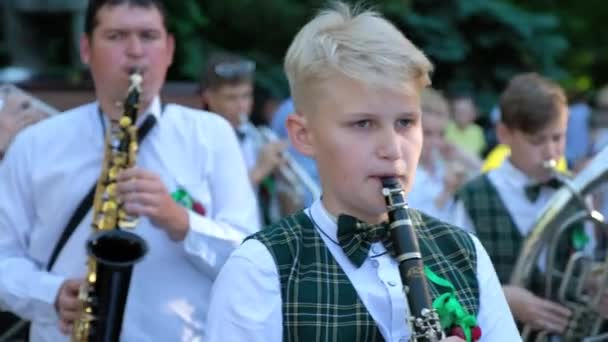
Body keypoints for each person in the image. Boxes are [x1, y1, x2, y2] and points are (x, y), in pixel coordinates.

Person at [205, 2, 519, 341]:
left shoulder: (464, 253)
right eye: (363, 123)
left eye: (406, 122)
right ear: (304, 135)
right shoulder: (260, 269)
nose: (393, 148)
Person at [0, 0, 259, 341]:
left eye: (149, 36)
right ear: (86, 49)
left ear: (168, 50)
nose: (135, 52)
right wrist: (49, 293)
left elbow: (250, 256)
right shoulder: (34, 144)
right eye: (116, 36)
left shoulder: (212, 135)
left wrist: (183, 222)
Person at [453, 72, 607, 336]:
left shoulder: (575, 193)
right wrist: (503, 298)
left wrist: (595, 281)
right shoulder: (473, 196)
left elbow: (585, 259)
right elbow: (453, 282)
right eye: (537, 141)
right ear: (504, 134)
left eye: (558, 138)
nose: (550, 152)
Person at [200, 52, 289, 224]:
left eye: (246, 95)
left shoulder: (257, 137)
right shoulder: (199, 140)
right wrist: (260, 170)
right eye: (231, 97)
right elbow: (208, 203)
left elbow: (288, 209)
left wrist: (284, 182)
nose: (242, 105)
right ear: (208, 97)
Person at [409, 88, 481, 222]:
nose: (436, 142)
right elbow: (417, 226)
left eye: (441, 134)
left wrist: (459, 154)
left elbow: (488, 178)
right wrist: (447, 191)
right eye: (428, 133)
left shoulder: (441, 164)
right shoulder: (404, 174)